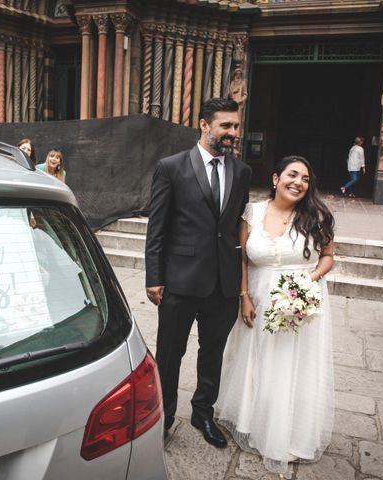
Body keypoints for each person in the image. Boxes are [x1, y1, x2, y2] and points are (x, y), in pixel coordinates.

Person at [215, 155, 335, 476]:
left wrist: (306, 284)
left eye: (305, 179)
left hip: (301, 301)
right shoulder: (251, 212)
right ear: (275, 178)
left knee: (293, 362)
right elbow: (242, 260)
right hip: (259, 296)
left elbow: (327, 257)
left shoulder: (317, 215)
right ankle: (256, 421)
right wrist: (244, 298)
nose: (298, 183)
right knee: (258, 359)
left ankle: (291, 431)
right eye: (292, 175)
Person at [145, 98, 252, 448]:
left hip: (223, 283)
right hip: (180, 280)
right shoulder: (171, 167)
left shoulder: (242, 172)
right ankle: (163, 417)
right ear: (205, 125)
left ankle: (202, 413)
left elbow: (237, 225)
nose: (232, 133)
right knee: (169, 353)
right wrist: (153, 276)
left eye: (235, 126)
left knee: (212, 353)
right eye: (226, 126)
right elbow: (157, 227)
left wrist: (241, 284)